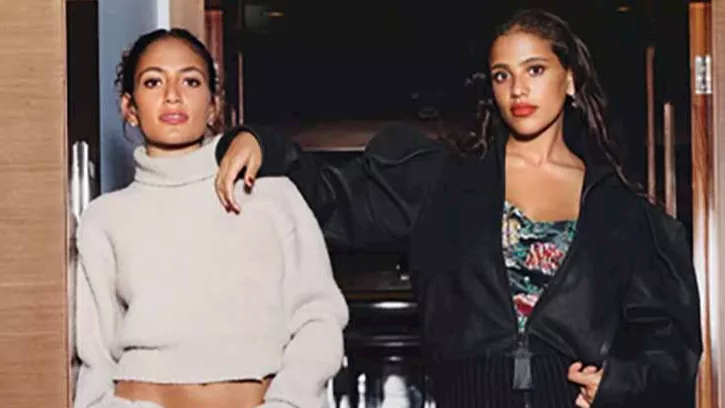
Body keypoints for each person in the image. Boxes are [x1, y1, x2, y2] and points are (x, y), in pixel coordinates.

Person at [213, 9, 702, 408]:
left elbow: (671, 340)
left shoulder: (621, 209)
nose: (518, 89)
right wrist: (264, 146)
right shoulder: (444, 182)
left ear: (569, 80)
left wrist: (620, 384)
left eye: (535, 70)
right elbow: (332, 199)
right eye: (503, 75)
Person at [73, 28, 348, 408]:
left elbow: (319, 318)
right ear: (129, 108)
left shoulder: (272, 196)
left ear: (213, 105)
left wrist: (288, 403)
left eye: (190, 81)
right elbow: (95, 358)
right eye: (153, 82)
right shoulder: (103, 218)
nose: (173, 95)